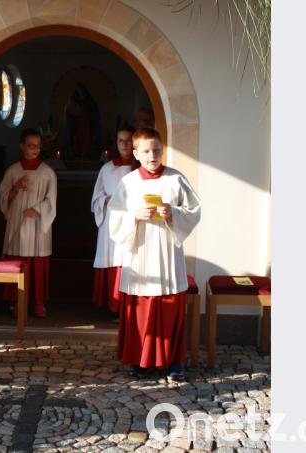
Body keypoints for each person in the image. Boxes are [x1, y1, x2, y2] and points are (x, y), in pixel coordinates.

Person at [108, 128, 201, 381]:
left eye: (157, 150)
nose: (152, 155)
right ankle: (142, 360)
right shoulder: (128, 183)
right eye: (146, 151)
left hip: (167, 254)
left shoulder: (176, 179)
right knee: (142, 309)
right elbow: (114, 217)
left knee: (170, 307)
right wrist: (134, 216)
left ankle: (174, 361)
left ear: (163, 150)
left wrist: (174, 213)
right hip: (140, 253)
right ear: (136, 153)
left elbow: (194, 210)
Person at [0, 128, 58, 317]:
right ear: (22, 146)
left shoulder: (47, 173)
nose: (35, 150)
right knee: (18, 259)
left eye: (38, 146)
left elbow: (52, 199)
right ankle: (18, 302)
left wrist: (38, 209)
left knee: (37, 263)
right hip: (18, 220)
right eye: (31, 146)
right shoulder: (13, 171)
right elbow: (3, 197)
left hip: (38, 224)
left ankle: (38, 302)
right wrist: (15, 188)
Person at [91, 127, 136, 316]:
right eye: (120, 141)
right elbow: (96, 197)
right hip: (110, 218)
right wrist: (104, 200)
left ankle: (127, 308)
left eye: (128, 141)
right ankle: (112, 307)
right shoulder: (107, 168)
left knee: (128, 260)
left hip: (131, 218)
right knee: (112, 259)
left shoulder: (140, 168)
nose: (125, 145)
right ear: (115, 144)